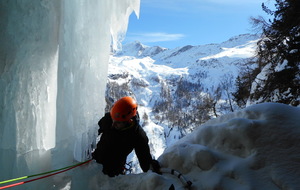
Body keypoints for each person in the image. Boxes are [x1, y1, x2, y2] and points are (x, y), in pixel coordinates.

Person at [92, 96, 160, 177]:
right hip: (95, 163)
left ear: (129, 121)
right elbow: (93, 133)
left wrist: (151, 167)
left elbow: (145, 161)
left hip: (114, 173)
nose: (113, 124)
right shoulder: (111, 118)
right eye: (113, 120)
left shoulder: (137, 135)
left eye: (118, 123)